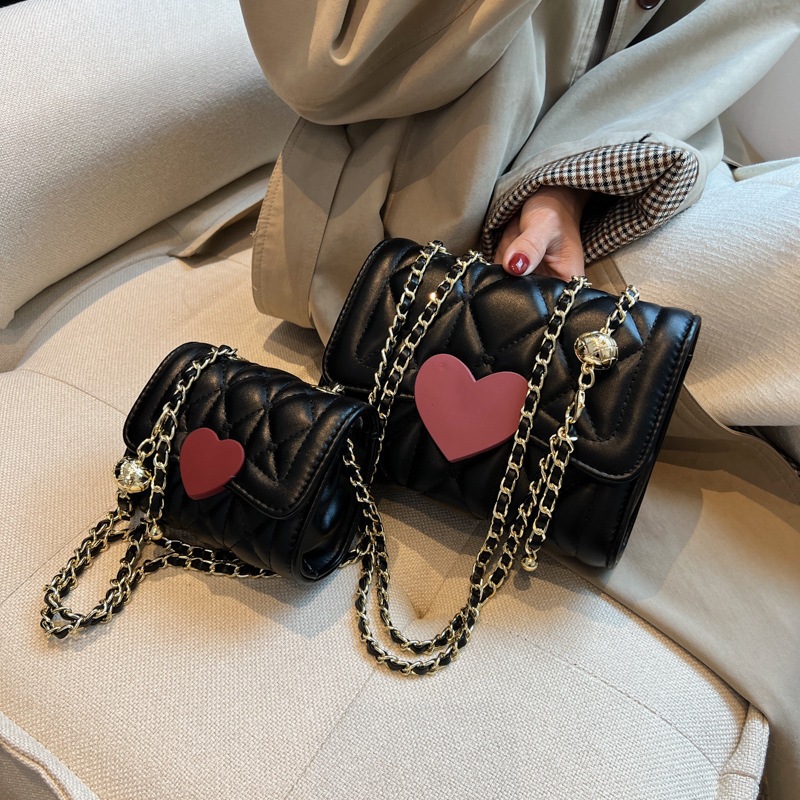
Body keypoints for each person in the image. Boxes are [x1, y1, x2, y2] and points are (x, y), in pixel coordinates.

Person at [237, 1, 800, 795]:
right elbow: (321, 62)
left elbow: (702, 43)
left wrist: (564, 188)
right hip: (432, 231)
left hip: (639, 179)